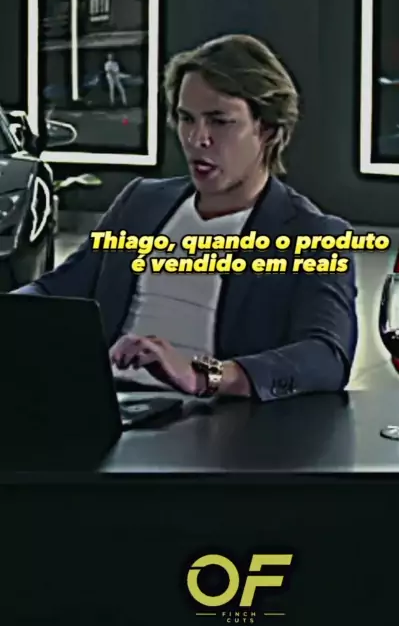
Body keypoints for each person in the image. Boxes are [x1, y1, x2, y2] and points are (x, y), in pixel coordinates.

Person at [13, 34, 358, 402]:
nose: (197, 139)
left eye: (219, 121)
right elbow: (57, 290)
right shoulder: (141, 202)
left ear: (268, 130)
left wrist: (203, 375)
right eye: (186, 118)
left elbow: (327, 355)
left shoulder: (315, 234)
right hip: (104, 406)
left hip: (212, 420)